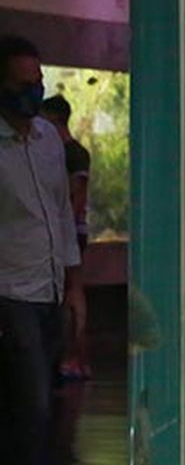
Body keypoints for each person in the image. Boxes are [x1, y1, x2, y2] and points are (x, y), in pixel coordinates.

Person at [0, 35, 82, 465]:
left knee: (33, 405)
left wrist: (75, 287)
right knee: (29, 404)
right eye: (23, 84)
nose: (34, 92)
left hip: (48, 287)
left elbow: (60, 214)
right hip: (8, 289)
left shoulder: (50, 142)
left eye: (39, 82)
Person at [39, 94, 91, 381]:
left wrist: (65, 229)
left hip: (71, 231)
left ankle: (75, 356)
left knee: (73, 290)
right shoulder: (61, 152)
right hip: (66, 231)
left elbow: (77, 195)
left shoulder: (73, 154)